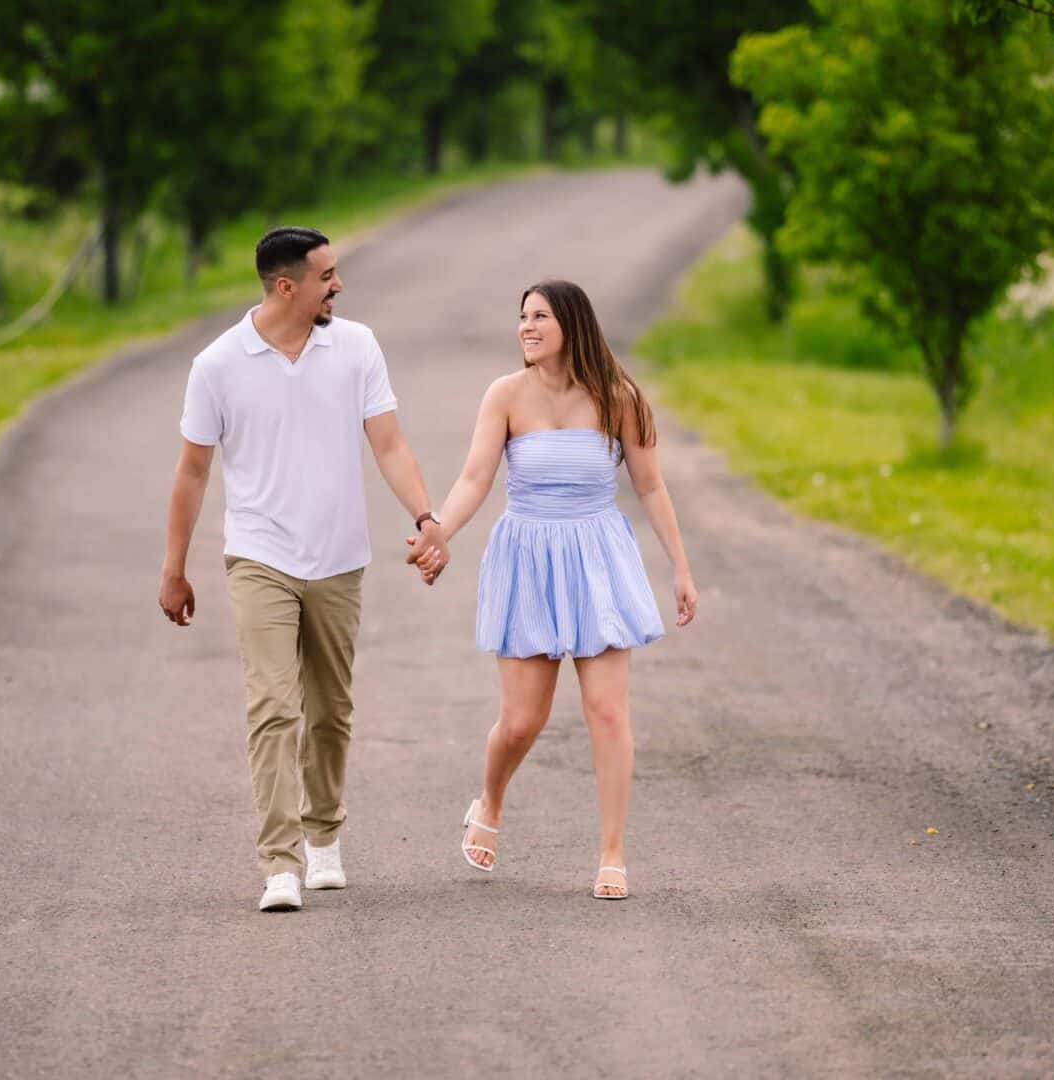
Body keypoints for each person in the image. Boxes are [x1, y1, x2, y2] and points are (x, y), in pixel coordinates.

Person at [159, 226, 448, 912]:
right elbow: (192, 471)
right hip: (260, 555)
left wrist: (426, 516)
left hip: (339, 558)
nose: (338, 285)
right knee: (273, 706)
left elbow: (390, 444)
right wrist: (174, 568)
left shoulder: (357, 347)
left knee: (330, 711)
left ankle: (323, 836)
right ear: (287, 287)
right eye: (326, 276)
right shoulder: (218, 364)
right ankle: (280, 863)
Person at [409, 279, 697, 900]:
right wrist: (439, 531)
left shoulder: (618, 397)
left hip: (598, 560)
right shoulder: (505, 394)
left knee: (608, 713)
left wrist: (680, 568)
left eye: (540, 316)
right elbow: (474, 478)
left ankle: (613, 854)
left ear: (572, 323)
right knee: (521, 723)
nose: (527, 327)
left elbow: (650, 486)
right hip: (528, 560)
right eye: (523, 317)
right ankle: (490, 799)